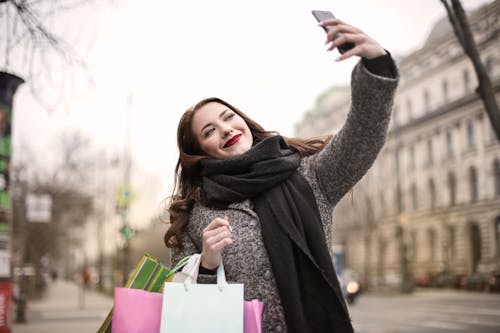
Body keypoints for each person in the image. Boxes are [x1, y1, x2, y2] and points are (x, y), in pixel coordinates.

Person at [165, 17, 399, 333]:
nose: (226, 129)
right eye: (210, 131)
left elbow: (362, 138)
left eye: (228, 117)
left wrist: (376, 67)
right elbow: (185, 309)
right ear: (200, 151)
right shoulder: (194, 216)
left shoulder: (307, 174)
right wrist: (207, 265)